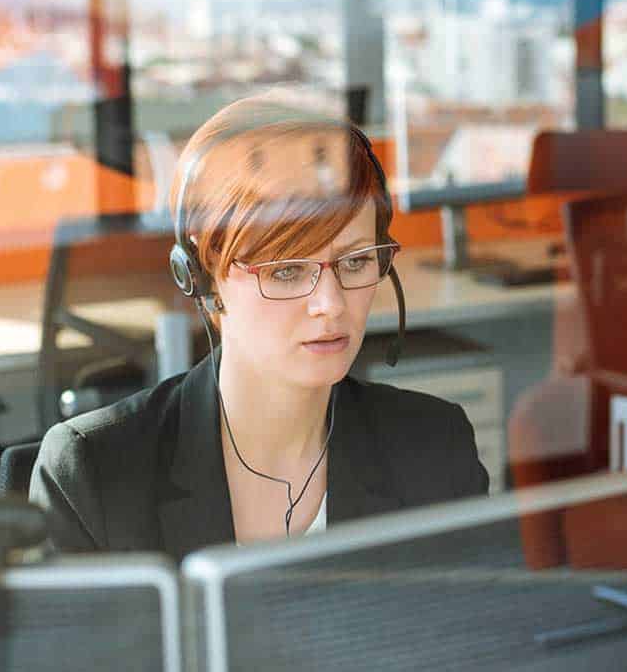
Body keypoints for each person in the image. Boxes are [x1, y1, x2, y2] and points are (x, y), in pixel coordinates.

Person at [30, 94, 489, 560]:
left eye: (355, 262)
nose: (329, 305)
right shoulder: (95, 475)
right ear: (205, 274)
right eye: (285, 271)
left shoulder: (435, 447)